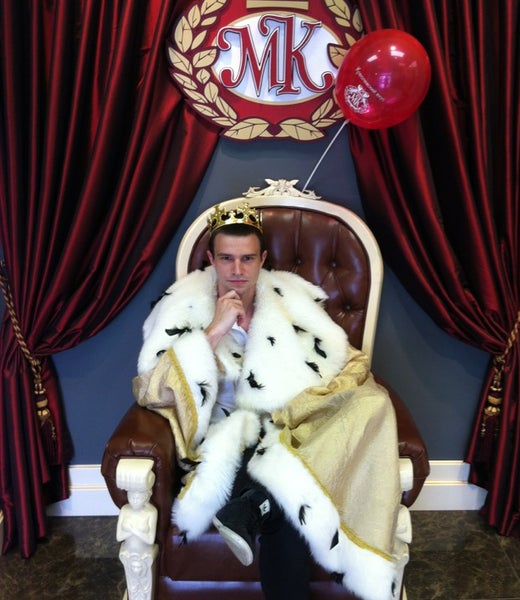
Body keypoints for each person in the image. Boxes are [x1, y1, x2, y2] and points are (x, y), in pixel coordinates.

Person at [133, 202, 409, 600]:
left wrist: (306, 405)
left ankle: (254, 505)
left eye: (247, 259)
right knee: (285, 497)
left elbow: (349, 363)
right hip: (227, 438)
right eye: (226, 258)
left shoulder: (292, 304)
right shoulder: (182, 310)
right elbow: (150, 390)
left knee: (373, 402)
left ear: (263, 259)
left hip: (294, 429)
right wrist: (212, 333)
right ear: (210, 258)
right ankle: (258, 503)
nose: (237, 270)